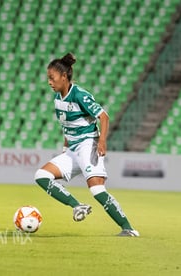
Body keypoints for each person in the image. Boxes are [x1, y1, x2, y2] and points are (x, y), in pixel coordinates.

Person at [34, 53, 139, 237]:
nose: (49, 82)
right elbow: (67, 126)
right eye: (48, 78)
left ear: (64, 77)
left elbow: (104, 116)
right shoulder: (58, 98)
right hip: (73, 149)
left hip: (88, 145)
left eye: (52, 78)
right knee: (41, 175)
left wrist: (102, 141)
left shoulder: (80, 95)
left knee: (97, 189)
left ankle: (128, 228)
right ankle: (77, 206)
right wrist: (66, 147)